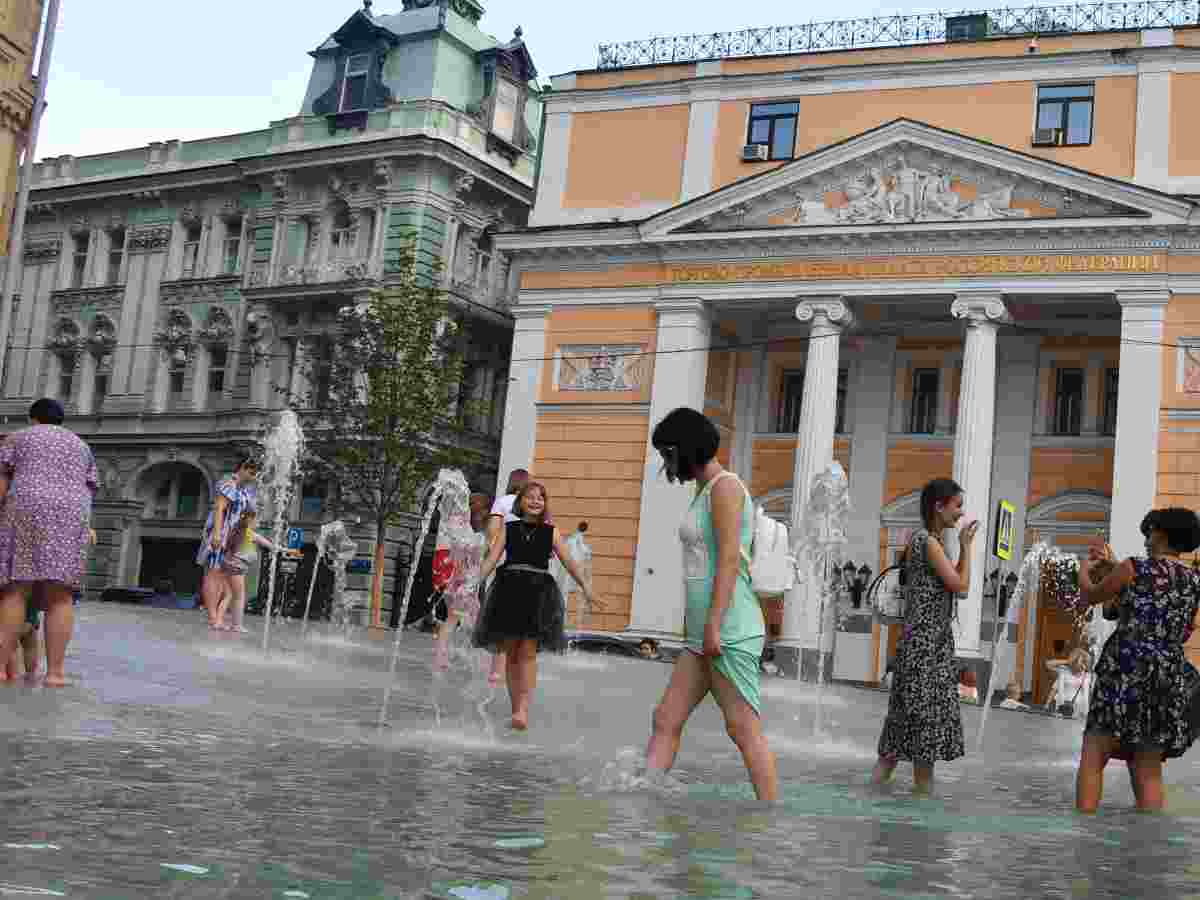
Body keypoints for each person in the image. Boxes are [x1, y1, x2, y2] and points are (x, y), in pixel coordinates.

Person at [642, 407, 778, 801]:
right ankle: (643, 797)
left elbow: (730, 560)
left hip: (728, 628)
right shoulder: (705, 491)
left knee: (742, 728)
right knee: (666, 718)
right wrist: (701, 628)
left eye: (666, 455)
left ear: (680, 449)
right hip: (703, 632)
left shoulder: (725, 487)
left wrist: (714, 626)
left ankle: (770, 818)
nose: (665, 466)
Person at [1075, 508, 1200, 813]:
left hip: (1125, 665)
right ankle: (1149, 843)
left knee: (1095, 752)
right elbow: (1179, 625)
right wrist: (1113, 566)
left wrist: (1084, 569)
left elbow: (1091, 596)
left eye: (1149, 532)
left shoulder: (1133, 567)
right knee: (1148, 767)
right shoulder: (1194, 581)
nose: (1146, 539)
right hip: (1166, 672)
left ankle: (1082, 836)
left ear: (1161, 533)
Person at [872, 477, 978, 793]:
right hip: (926, 651)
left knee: (896, 742)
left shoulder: (926, 542)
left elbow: (952, 581)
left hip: (919, 646)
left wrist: (959, 551)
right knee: (924, 744)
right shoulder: (928, 543)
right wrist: (967, 547)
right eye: (957, 505)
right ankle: (921, 824)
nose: (960, 513)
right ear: (938, 506)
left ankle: (876, 802)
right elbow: (961, 587)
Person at [474, 481, 596, 730]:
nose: (536, 501)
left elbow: (570, 562)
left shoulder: (551, 532)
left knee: (527, 653)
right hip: (508, 590)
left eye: (541, 497)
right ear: (520, 502)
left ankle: (523, 709)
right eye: (530, 497)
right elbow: (492, 559)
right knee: (511, 653)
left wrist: (586, 587)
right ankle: (514, 706)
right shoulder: (508, 528)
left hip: (537, 593)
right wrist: (474, 581)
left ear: (545, 503)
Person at [0, 398, 98, 688]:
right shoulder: (81, 445)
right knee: (61, 594)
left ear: (34, 419)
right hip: (72, 513)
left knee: (17, 589)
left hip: (27, 507)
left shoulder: (16, 438)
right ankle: (55, 674)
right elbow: (89, 487)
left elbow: (2, 487)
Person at [196, 457, 258, 630]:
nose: (254, 476)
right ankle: (213, 617)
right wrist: (216, 534)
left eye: (255, 473)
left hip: (233, 537)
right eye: (251, 472)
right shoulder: (228, 483)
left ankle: (218, 617)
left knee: (224, 576)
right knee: (214, 573)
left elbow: (246, 515)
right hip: (221, 533)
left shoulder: (246, 490)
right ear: (243, 468)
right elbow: (219, 508)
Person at [213, 509, 298, 633]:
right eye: (255, 520)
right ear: (250, 520)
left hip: (227, 566)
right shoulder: (249, 534)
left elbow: (223, 546)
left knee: (229, 595)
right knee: (239, 597)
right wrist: (288, 551)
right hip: (236, 568)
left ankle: (218, 622)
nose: (257, 523)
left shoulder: (235, 532)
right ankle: (236, 625)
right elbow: (271, 546)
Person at [484, 469, 530, 686]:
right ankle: (516, 671)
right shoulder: (532, 505)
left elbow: (492, 532)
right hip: (529, 567)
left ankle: (496, 671)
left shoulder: (502, 502)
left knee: (502, 619)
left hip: (505, 565)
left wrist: (493, 555)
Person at [1043, 647, 1091, 718]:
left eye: (1084, 662)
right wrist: (1067, 661)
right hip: (1061, 707)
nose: (1082, 665)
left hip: (1078, 710)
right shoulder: (1064, 671)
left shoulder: (1087, 676)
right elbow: (1048, 664)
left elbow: (1087, 695)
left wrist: (1086, 713)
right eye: (1081, 661)